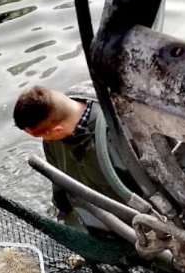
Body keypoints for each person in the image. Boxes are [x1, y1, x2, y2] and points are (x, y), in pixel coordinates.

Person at [13, 84, 138, 233]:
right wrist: (62, 209)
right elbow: (58, 178)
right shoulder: (56, 126)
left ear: (58, 130)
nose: (43, 140)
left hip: (131, 229)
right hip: (95, 224)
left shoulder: (123, 133)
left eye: (40, 135)